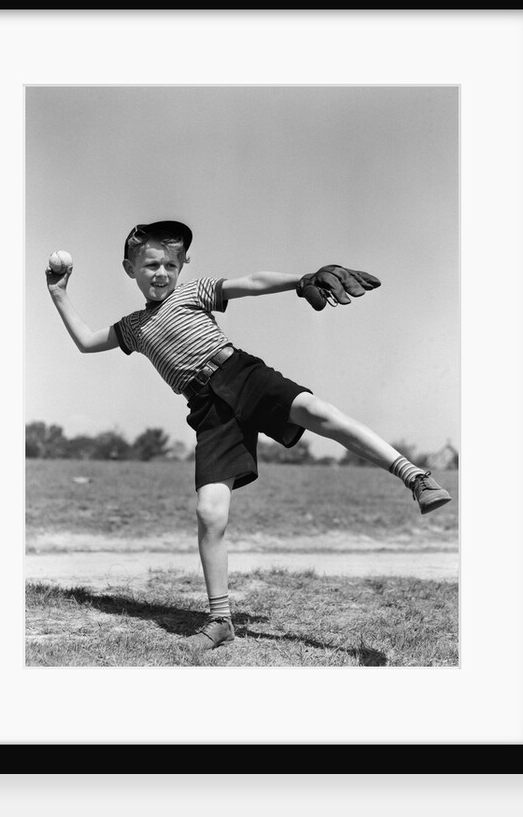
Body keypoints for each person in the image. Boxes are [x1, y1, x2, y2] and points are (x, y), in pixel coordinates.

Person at [46, 220, 452, 651]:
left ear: (184, 266)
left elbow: (252, 282)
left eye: (171, 264)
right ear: (130, 269)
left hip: (241, 374)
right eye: (150, 265)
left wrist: (302, 281)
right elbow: (88, 342)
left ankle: (416, 477)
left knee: (318, 412)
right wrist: (59, 294)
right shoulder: (132, 327)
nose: (161, 273)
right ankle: (220, 620)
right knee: (209, 512)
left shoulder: (191, 293)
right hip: (208, 411)